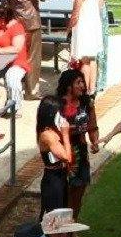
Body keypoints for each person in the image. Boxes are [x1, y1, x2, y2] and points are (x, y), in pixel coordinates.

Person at [36, 69, 97, 215]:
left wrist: (94, 141)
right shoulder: (57, 105)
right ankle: (64, 230)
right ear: (69, 86)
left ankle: (72, 227)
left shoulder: (86, 103)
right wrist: (65, 132)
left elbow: (93, 125)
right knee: (64, 193)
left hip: (80, 151)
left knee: (79, 189)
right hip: (63, 150)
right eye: (79, 82)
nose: (83, 85)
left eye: (83, 81)